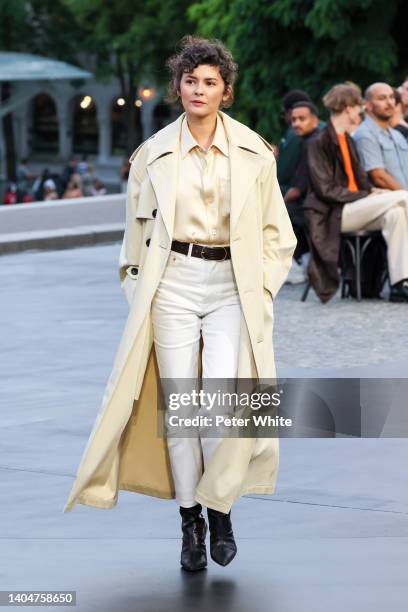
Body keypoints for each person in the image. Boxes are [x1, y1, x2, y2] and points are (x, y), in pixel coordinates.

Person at [63, 35, 297, 574]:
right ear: (178, 86)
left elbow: (276, 235)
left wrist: (260, 289)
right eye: (190, 80)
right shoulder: (152, 154)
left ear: (225, 91)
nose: (198, 89)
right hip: (171, 285)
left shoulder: (255, 152)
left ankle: (221, 509)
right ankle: (191, 521)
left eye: (209, 82)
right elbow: (131, 245)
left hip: (231, 287)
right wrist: (140, 292)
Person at [304, 83, 408, 303]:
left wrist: (373, 191)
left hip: (352, 207)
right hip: (334, 214)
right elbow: (325, 190)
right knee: (404, 197)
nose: (361, 110)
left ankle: (400, 285)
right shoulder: (318, 141)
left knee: (396, 214)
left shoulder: (347, 139)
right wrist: (366, 195)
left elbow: (359, 181)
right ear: (348, 108)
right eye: (358, 106)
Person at [284, 101, 320, 282]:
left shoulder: (312, 143)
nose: (296, 123)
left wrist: (280, 202)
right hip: (316, 202)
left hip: (317, 205)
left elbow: (298, 188)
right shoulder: (310, 140)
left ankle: (293, 264)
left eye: (302, 119)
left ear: (315, 121)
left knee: (283, 214)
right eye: (294, 120)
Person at [353, 82, 408, 190]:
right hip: (391, 203)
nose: (389, 102)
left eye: (391, 97)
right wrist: (405, 195)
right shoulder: (365, 135)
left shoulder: (397, 135)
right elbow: (378, 177)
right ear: (367, 104)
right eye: (382, 98)